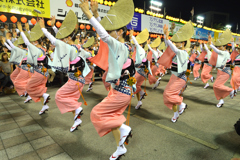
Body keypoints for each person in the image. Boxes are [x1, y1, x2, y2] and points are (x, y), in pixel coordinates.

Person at [79, 0, 135, 159]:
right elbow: (130, 74)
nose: (108, 33)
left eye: (112, 31)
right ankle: (120, 147)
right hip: (120, 91)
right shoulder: (125, 48)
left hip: (121, 93)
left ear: (121, 32)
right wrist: (97, 14)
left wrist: (88, 14)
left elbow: (103, 34)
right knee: (111, 118)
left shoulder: (122, 47)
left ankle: (124, 129)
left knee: (97, 113)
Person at [39, 10, 91, 132]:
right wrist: (53, 26)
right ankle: (77, 119)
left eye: (65, 38)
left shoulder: (69, 48)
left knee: (59, 96)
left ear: (68, 38)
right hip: (79, 80)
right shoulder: (77, 46)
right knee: (71, 99)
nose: (63, 40)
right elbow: (61, 39)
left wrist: (43, 29)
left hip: (74, 81)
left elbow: (55, 41)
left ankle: (77, 111)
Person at [162, 21, 194, 123]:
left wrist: (168, 38)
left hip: (180, 79)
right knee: (167, 95)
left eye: (178, 42)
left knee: (169, 95)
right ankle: (176, 113)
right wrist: (165, 35)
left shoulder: (183, 53)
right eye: (175, 42)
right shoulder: (178, 52)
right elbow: (169, 45)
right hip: (174, 77)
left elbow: (174, 48)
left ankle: (181, 104)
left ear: (183, 43)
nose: (175, 44)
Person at [17, 21, 51, 114]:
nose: (32, 43)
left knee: (28, 87)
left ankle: (44, 95)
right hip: (44, 73)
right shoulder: (43, 49)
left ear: (36, 42)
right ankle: (44, 105)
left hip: (39, 73)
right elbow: (31, 41)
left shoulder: (35, 49)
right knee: (38, 88)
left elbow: (28, 42)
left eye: (33, 42)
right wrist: (28, 30)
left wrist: (21, 31)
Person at [208, 30, 236, 108]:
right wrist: (210, 41)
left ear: (224, 47)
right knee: (215, 87)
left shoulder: (226, 52)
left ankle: (231, 90)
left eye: (220, 46)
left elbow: (216, 50)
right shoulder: (222, 52)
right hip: (220, 72)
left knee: (217, 85)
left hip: (225, 72)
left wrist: (211, 44)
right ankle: (221, 100)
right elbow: (216, 49)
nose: (219, 47)